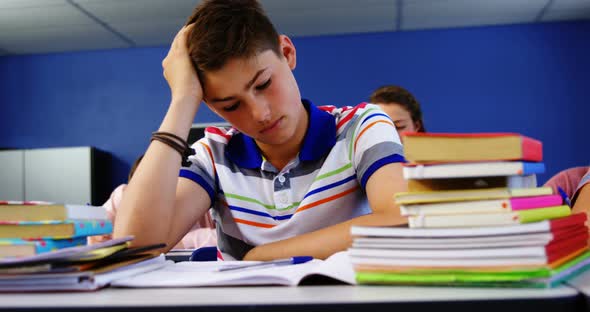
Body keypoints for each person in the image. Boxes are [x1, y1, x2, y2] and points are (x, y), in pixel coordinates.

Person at [113, 0, 407, 261]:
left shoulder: (362, 126)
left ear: (287, 53)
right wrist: (182, 100)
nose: (260, 114)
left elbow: (402, 220)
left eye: (264, 84)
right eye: (230, 105)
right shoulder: (213, 154)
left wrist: (264, 254)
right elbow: (136, 248)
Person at [89, 155, 217, 249]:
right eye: (144, 186)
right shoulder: (123, 196)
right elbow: (94, 230)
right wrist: (96, 236)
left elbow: (228, 239)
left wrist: (182, 242)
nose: (155, 195)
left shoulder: (202, 198)